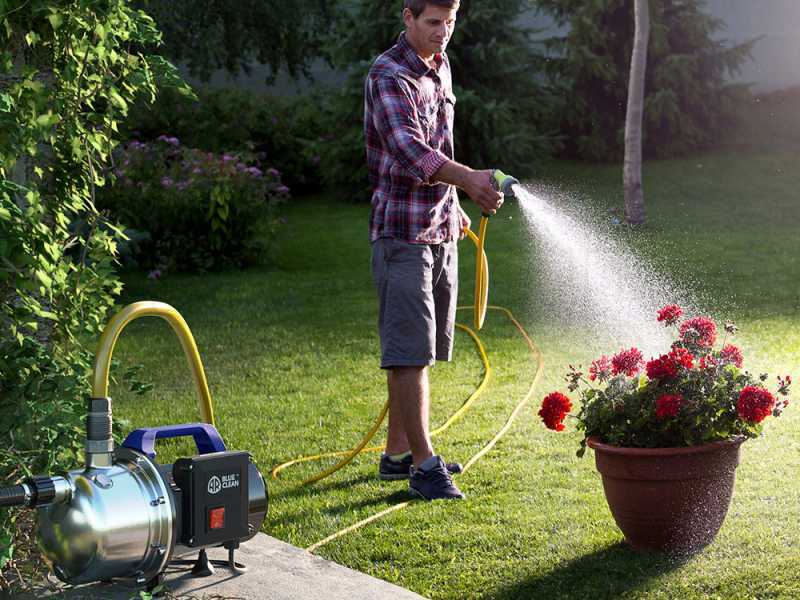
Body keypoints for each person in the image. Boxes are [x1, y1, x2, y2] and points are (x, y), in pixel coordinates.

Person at [364, 0, 504, 501]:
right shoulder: (389, 74)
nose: (443, 33)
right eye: (432, 23)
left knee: (422, 349)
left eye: (450, 22)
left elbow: (438, 138)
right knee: (410, 351)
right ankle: (424, 467)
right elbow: (409, 149)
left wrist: (454, 204)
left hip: (440, 227)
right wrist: (467, 179)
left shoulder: (439, 66)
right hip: (402, 233)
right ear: (407, 17)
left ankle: (397, 455)